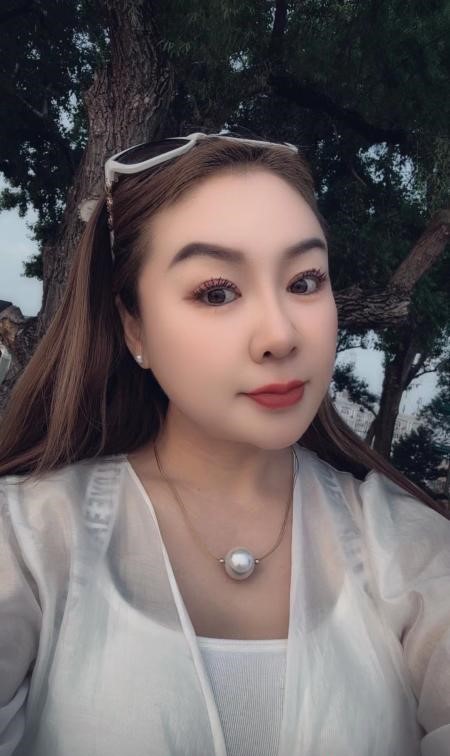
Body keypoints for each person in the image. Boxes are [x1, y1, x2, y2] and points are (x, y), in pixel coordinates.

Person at [0, 129, 449, 756]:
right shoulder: (26, 540)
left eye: (304, 281)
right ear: (134, 326)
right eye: (217, 291)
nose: (280, 335)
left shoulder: (410, 550)